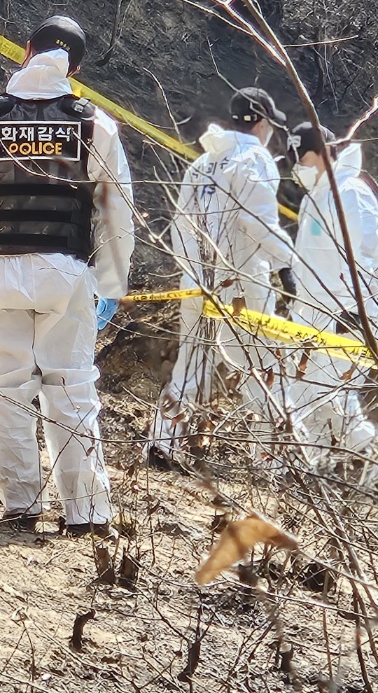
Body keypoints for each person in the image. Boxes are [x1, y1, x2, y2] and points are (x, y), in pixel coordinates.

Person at [0, 16, 134, 535]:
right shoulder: (95, 124)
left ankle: (21, 506)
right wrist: (111, 286)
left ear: (26, 51)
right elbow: (117, 213)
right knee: (71, 389)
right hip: (67, 276)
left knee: (2, 389)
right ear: (78, 68)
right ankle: (86, 514)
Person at [147, 87, 296, 469]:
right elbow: (257, 223)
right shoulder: (256, 159)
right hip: (242, 283)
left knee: (191, 363)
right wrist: (288, 264)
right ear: (262, 122)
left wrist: (191, 270)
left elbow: (180, 224)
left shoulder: (204, 162)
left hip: (197, 280)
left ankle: (164, 443)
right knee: (260, 367)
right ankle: (270, 462)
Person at [284, 121, 378, 466]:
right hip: (311, 311)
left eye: (304, 158)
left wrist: (351, 310)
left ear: (324, 153)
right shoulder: (318, 195)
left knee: (331, 392)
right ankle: (314, 469)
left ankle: (364, 457)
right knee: (300, 392)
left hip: (344, 314)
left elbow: (362, 260)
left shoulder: (350, 193)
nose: (300, 167)